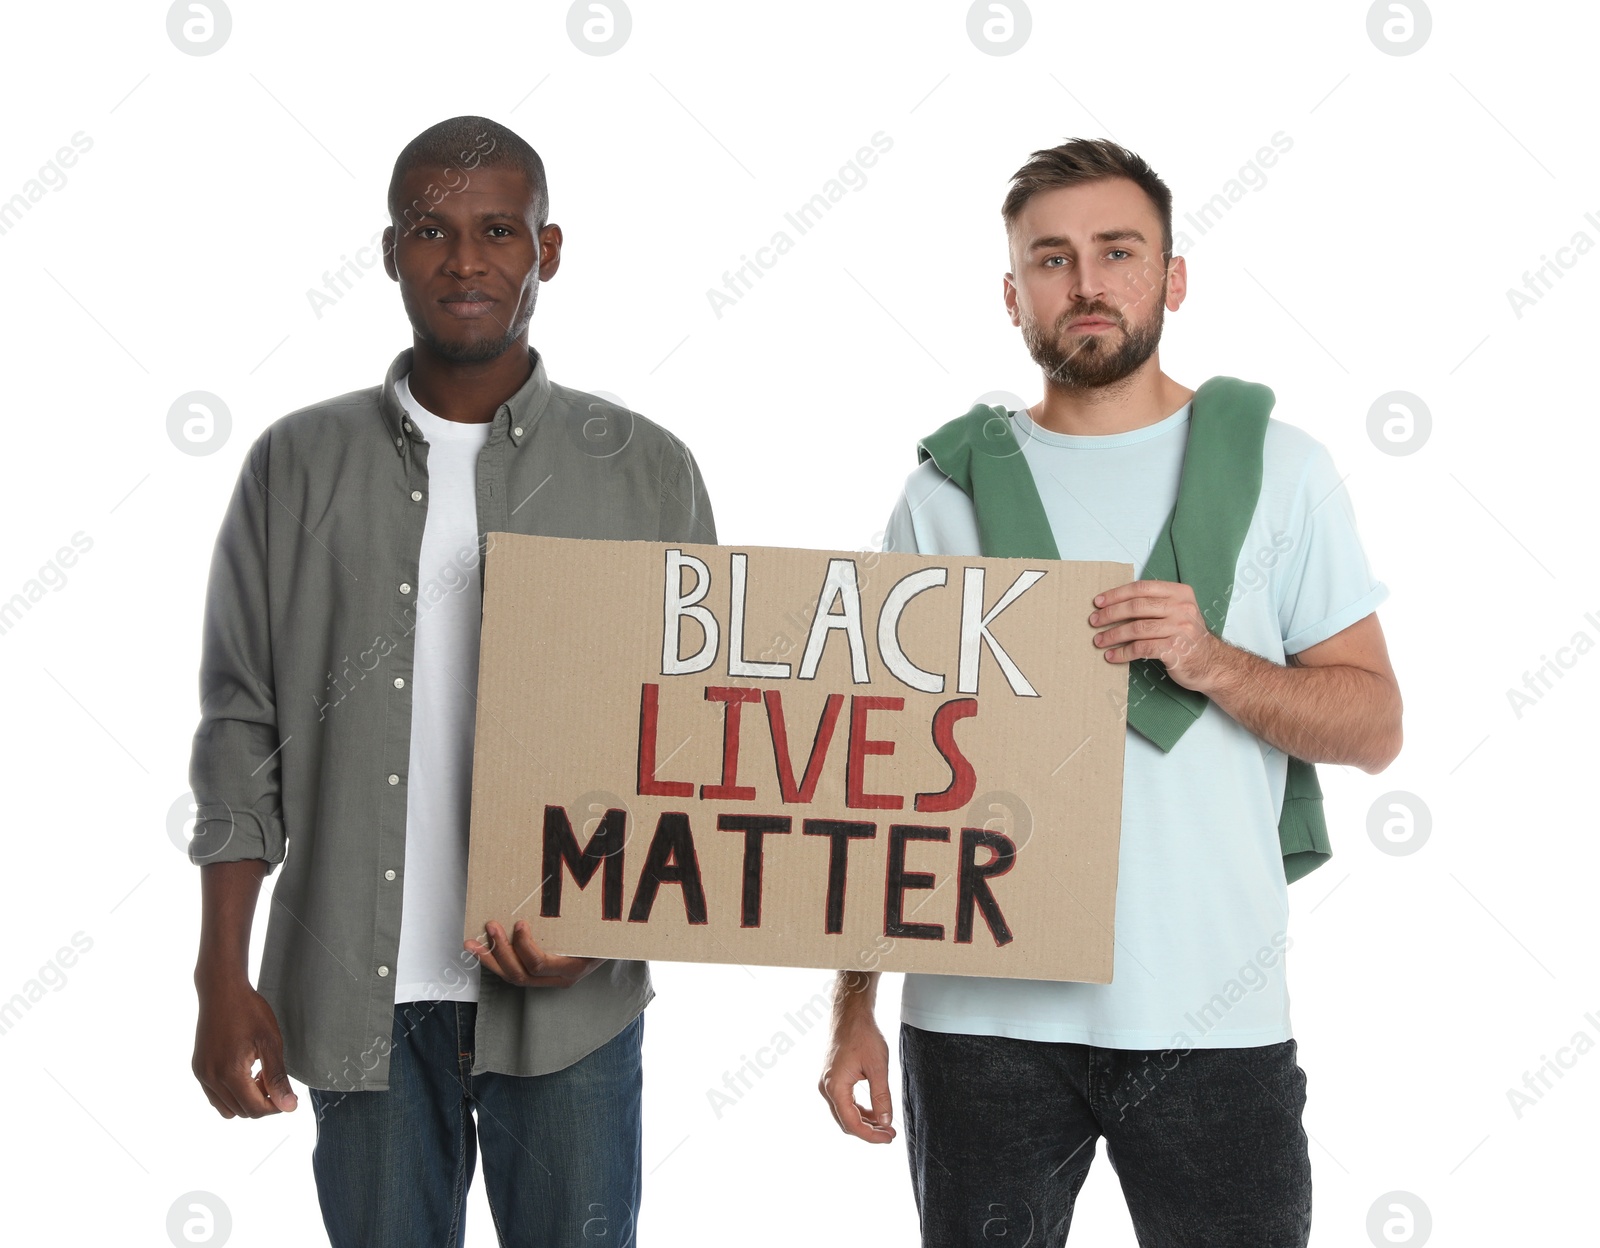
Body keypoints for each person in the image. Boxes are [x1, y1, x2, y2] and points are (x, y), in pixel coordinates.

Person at [818, 138, 1402, 1247]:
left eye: (1117, 252)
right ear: (1011, 295)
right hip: (978, 1016)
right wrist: (851, 1007)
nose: (1084, 283)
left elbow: (1374, 726)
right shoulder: (940, 496)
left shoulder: (1286, 469)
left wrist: (1215, 662)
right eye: (1051, 259)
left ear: (1171, 279)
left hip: (1209, 1014)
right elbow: (868, 773)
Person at [187, 115, 715, 1247]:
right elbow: (239, 725)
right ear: (389, 251)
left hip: (568, 1005)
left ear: (548, 249)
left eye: (497, 231)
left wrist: (609, 919)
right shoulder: (295, 463)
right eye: (431, 229)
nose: (464, 260)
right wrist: (217, 977)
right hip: (352, 993)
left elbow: (697, 734)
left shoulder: (647, 471)